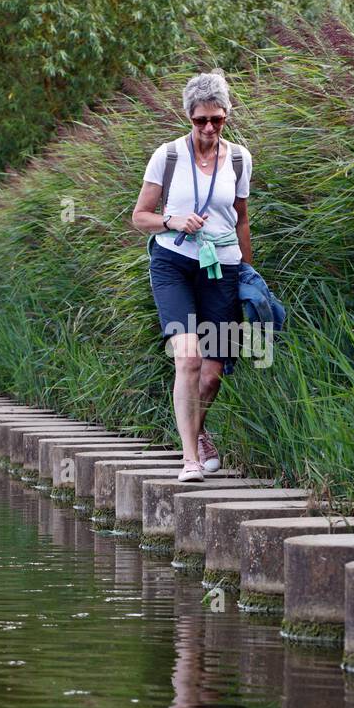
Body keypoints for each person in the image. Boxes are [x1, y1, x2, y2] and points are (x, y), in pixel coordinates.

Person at [131, 71, 253, 481]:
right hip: (175, 265)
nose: (208, 128)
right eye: (200, 119)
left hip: (222, 267)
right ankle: (190, 459)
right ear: (189, 117)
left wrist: (248, 271)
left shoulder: (239, 158)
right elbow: (139, 217)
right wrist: (172, 220)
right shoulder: (167, 156)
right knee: (188, 357)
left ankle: (199, 434)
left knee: (213, 372)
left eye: (216, 119)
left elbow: (241, 220)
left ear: (226, 116)